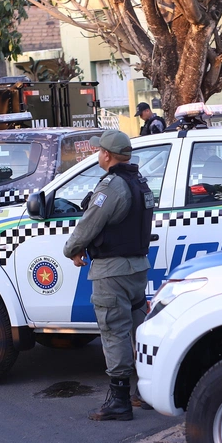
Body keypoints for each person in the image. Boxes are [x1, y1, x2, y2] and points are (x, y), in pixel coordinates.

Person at [62, 130, 154, 421]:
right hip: (137, 268)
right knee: (137, 331)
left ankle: (119, 401)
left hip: (112, 271)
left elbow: (89, 223)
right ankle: (146, 391)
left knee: (114, 332)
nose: (97, 154)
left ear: (107, 155)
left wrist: (72, 249)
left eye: (99, 150)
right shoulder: (140, 182)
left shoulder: (111, 186)